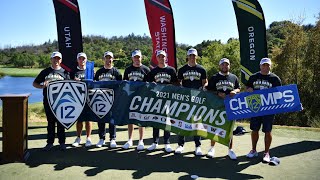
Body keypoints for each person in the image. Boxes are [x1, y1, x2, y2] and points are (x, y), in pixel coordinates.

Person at [246, 57, 282, 163]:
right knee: (254, 129)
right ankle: (253, 150)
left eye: (268, 65)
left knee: (267, 130)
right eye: (264, 65)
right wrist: (249, 89)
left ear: (270, 66)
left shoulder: (275, 79)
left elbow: (280, 94)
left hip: (269, 109)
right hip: (256, 108)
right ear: (260, 66)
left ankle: (266, 153)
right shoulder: (253, 77)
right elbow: (247, 88)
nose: (265, 67)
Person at [33, 51, 69, 151]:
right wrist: (42, 86)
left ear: (61, 60)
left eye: (58, 58)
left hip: (61, 102)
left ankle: (62, 143)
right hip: (48, 101)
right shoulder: (45, 72)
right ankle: (50, 143)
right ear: (51, 59)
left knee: (61, 122)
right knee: (50, 122)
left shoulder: (65, 72)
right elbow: (34, 83)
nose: (56, 60)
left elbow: (70, 87)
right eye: (54, 58)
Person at [205, 58, 240, 160]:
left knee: (230, 128)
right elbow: (208, 90)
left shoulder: (234, 77)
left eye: (227, 64)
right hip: (216, 106)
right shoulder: (215, 77)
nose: (225, 66)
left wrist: (235, 91)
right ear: (219, 66)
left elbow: (238, 88)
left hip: (230, 106)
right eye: (223, 65)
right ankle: (212, 148)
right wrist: (217, 93)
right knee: (214, 127)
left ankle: (230, 150)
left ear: (229, 66)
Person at [175, 48, 207, 156]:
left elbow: (204, 83)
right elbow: (178, 82)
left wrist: (204, 87)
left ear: (196, 57)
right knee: (182, 121)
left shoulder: (201, 69)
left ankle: (198, 146)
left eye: (194, 55)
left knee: (196, 122)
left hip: (197, 99)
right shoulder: (182, 69)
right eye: (190, 55)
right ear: (187, 57)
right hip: (184, 99)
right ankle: (180, 144)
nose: (192, 57)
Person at [147, 50, 178, 153]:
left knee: (167, 121)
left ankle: (167, 142)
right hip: (156, 100)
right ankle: (155, 142)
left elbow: (176, 85)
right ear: (157, 58)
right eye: (159, 56)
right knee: (156, 120)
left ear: (166, 58)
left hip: (168, 99)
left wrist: (171, 86)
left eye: (163, 56)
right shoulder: (153, 71)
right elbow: (148, 85)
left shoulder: (171, 70)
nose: (161, 58)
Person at [122, 49, 150, 151]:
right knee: (130, 118)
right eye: (135, 57)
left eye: (138, 57)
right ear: (132, 58)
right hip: (130, 97)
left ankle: (141, 140)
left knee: (140, 118)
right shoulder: (128, 69)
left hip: (142, 98)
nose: (137, 59)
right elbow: (124, 84)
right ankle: (130, 139)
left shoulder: (146, 70)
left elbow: (150, 85)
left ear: (141, 57)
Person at [94, 51, 122, 148]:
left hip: (112, 99)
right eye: (106, 57)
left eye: (110, 58)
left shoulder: (117, 72)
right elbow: (94, 85)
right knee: (101, 118)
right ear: (104, 59)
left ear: (112, 59)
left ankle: (112, 139)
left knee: (112, 119)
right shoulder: (99, 72)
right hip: (100, 99)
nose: (108, 60)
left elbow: (120, 86)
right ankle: (101, 138)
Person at [71, 52, 93, 147]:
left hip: (89, 98)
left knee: (88, 119)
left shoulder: (90, 71)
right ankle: (78, 138)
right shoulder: (73, 72)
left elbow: (94, 83)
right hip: (77, 98)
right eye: (80, 58)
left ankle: (88, 138)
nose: (82, 60)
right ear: (77, 60)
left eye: (83, 58)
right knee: (79, 120)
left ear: (86, 60)